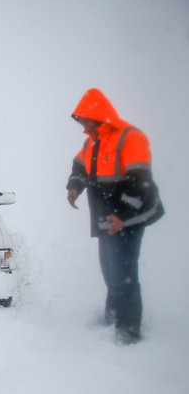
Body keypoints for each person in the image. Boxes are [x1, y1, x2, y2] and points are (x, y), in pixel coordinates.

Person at [66, 88, 164, 344]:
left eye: (84, 118)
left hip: (127, 219)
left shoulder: (129, 138)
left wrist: (122, 214)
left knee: (124, 273)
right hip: (105, 217)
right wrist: (75, 185)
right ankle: (112, 315)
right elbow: (80, 165)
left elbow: (140, 184)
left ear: (97, 115)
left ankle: (129, 330)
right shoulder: (93, 142)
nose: (82, 124)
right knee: (110, 270)